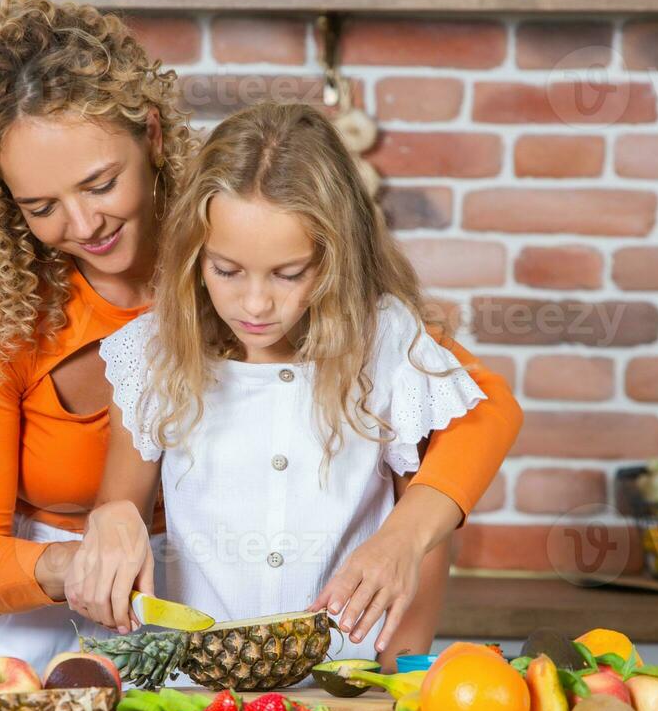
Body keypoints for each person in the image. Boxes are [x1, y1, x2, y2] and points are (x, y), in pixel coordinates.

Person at [0, 0, 523, 671]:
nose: (81, 225)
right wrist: (88, 558)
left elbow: (470, 413)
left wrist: (404, 541)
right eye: (41, 206)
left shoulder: (240, 241)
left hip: (149, 628)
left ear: (153, 138)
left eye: (100, 183)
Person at [88, 103, 486, 666]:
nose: (255, 304)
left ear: (335, 258)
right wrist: (107, 526)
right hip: (198, 687)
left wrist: (397, 673)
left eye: (289, 273)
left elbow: (419, 537)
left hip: (349, 679)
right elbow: (119, 517)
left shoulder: (387, 342)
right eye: (226, 270)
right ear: (195, 254)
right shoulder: (152, 353)